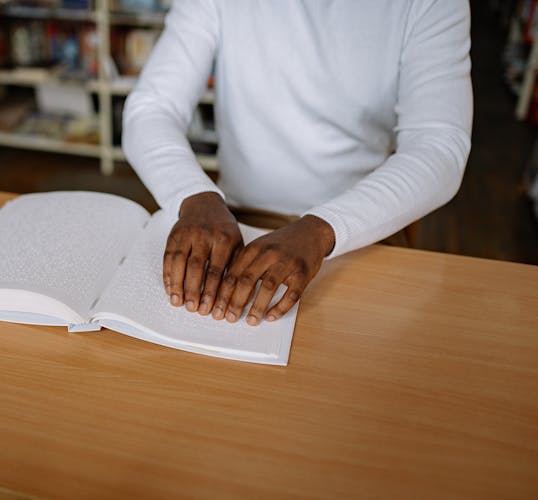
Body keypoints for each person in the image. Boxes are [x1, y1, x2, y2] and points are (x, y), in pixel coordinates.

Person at [122, 0, 472, 326]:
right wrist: (193, 194)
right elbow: (152, 107)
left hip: (360, 231)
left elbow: (439, 145)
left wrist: (322, 230)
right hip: (239, 222)